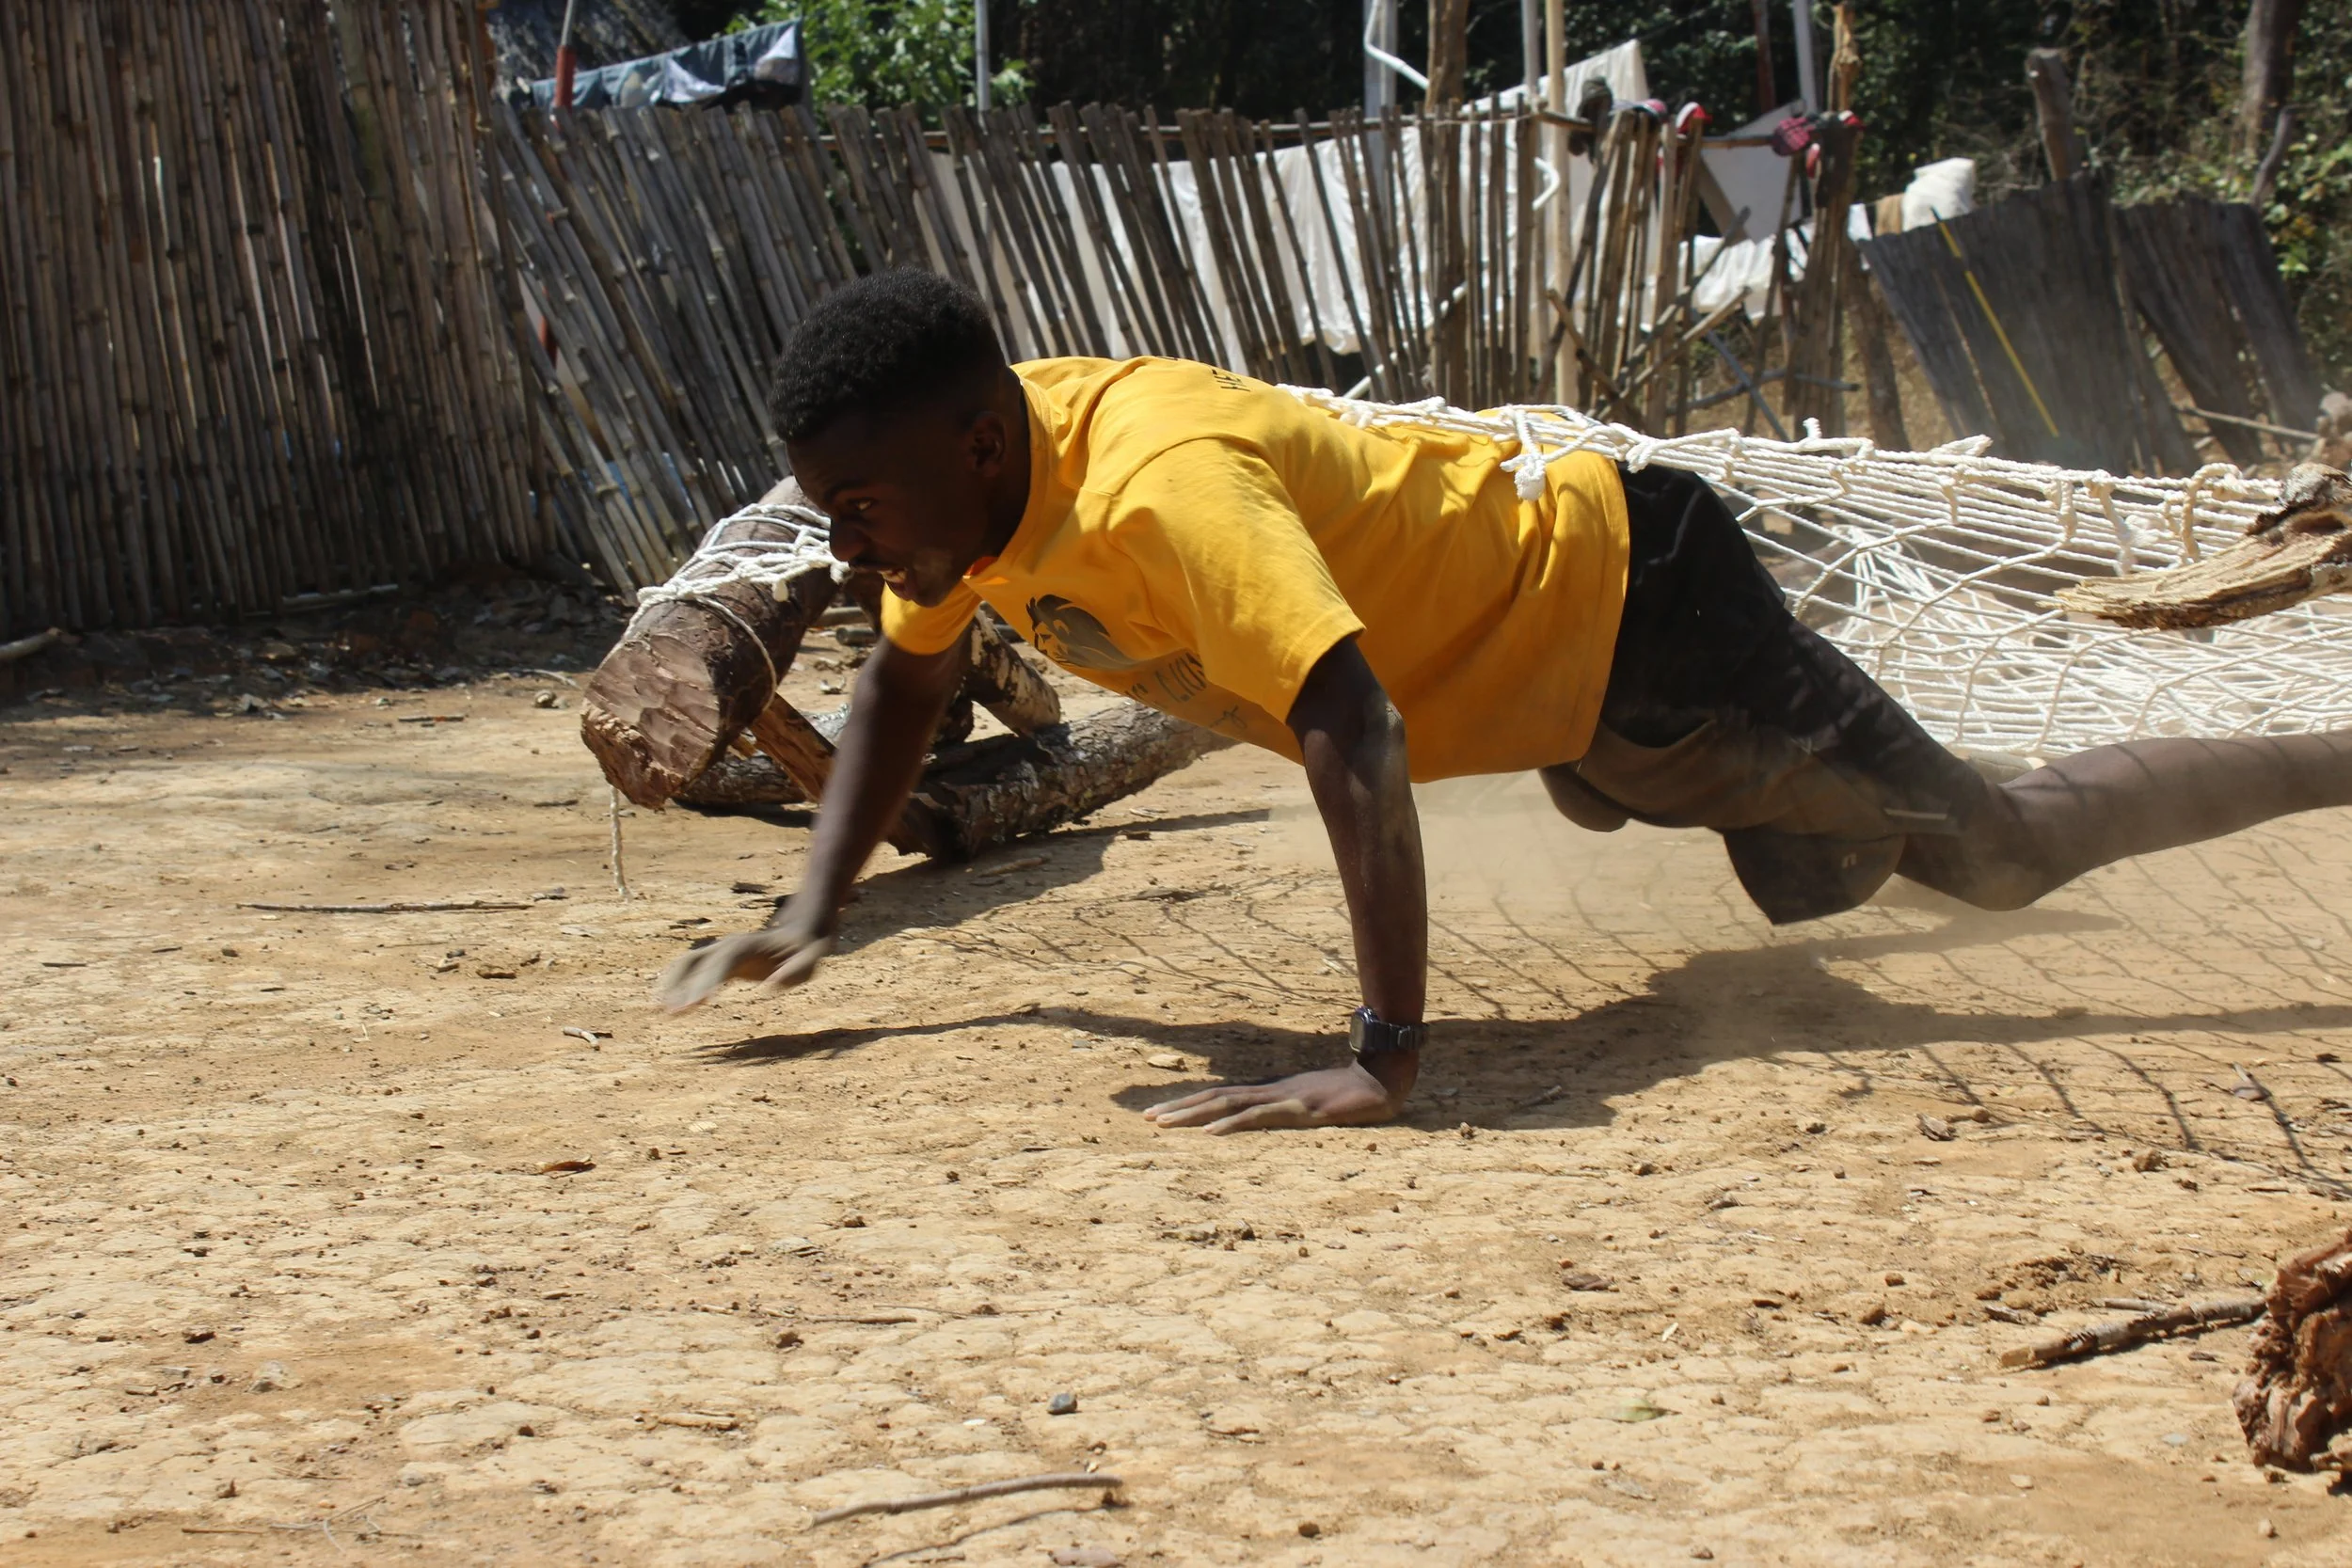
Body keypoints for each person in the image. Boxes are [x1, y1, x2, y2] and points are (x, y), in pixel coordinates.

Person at [657, 269, 2352, 1132]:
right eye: (825, 502)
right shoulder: (965, 495)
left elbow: (1352, 730)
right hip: (1573, 686)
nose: (839, 533)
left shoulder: (1165, 488)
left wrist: (1386, 1057)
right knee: (1720, 823)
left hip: (1647, 605)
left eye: (857, 501)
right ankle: (1624, 779)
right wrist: (816, 900)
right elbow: (905, 672)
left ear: (970, 445)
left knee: (1995, 855)